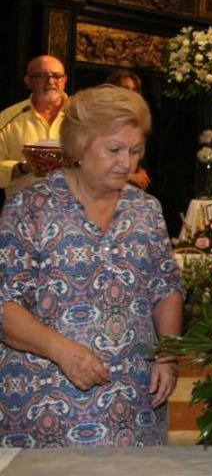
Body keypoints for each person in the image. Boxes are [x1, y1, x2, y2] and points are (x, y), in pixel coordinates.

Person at [0, 85, 183, 447]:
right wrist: (63, 352)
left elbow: (166, 289)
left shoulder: (146, 209)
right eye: (114, 150)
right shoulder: (31, 206)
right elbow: (5, 305)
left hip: (135, 403)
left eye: (134, 151)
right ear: (80, 146)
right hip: (46, 400)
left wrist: (168, 354)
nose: (127, 163)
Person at [0, 55, 68, 192]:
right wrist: (22, 168)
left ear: (64, 80)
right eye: (41, 76)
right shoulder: (9, 117)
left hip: (74, 206)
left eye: (56, 76)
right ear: (28, 81)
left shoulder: (83, 115)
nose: (50, 81)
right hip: (24, 207)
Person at [105, 69, 150, 190]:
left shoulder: (138, 120)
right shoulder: (103, 119)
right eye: (126, 89)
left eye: (134, 90)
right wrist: (129, 177)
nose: (131, 94)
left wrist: (141, 171)